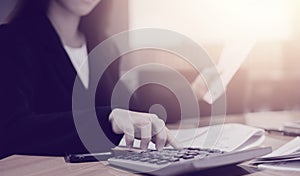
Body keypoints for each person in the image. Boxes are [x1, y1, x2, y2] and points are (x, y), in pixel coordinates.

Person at [0, 0, 179, 159]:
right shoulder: (12, 41)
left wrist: (199, 98)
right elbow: (12, 129)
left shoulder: (105, 47)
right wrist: (108, 120)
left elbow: (133, 108)